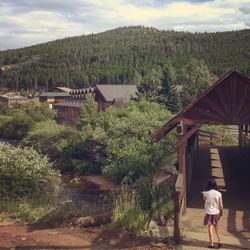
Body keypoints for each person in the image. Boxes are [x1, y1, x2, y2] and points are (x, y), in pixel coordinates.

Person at [202, 178, 223, 249]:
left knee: (210, 226)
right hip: (216, 212)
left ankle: (211, 243)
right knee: (216, 227)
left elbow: (204, 201)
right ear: (215, 185)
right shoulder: (219, 194)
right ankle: (220, 241)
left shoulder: (205, 193)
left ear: (208, 185)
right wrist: (221, 213)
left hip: (209, 212)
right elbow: (221, 205)